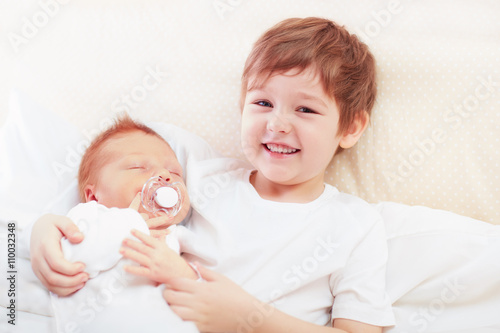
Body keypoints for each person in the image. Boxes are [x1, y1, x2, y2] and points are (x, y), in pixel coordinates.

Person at [30, 17, 395, 332]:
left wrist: (249, 318)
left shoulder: (356, 226)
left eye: (305, 109)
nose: (278, 123)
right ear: (242, 105)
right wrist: (45, 229)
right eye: (263, 103)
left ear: (351, 127)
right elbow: (108, 191)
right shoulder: (199, 177)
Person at [48, 114, 200, 332]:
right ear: (94, 195)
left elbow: (209, 293)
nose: (164, 175)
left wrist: (185, 274)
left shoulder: (182, 237)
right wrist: (132, 221)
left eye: (175, 172)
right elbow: (71, 258)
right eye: (138, 167)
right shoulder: (90, 216)